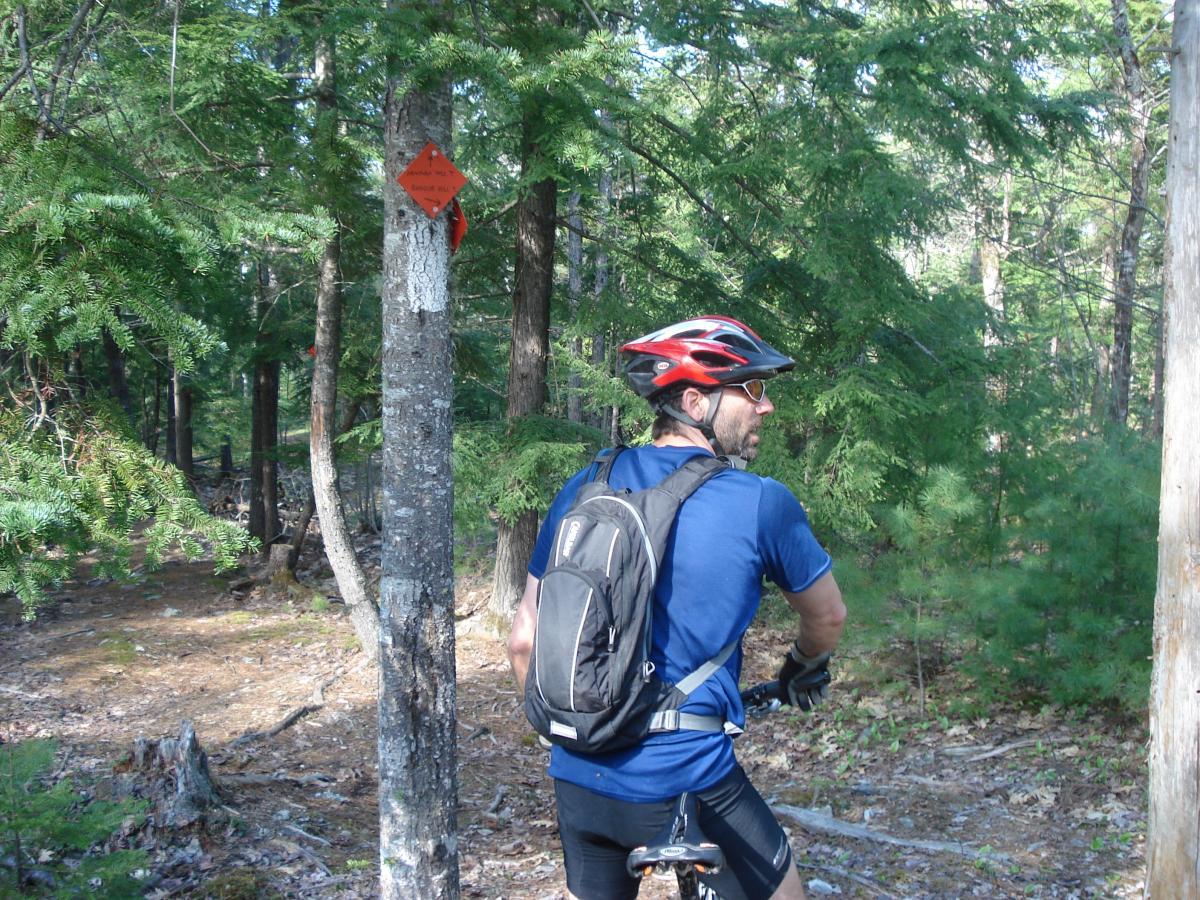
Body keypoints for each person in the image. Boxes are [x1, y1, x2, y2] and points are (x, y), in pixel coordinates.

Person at [507, 316, 847, 900]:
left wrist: (573, 730)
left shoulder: (587, 485)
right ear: (694, 400)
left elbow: (523, 640)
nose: (764, 408)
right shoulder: (761, 502)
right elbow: (827, 618)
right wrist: (798, 668)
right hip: (689, 777)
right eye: (752, 390)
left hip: (579, 779)